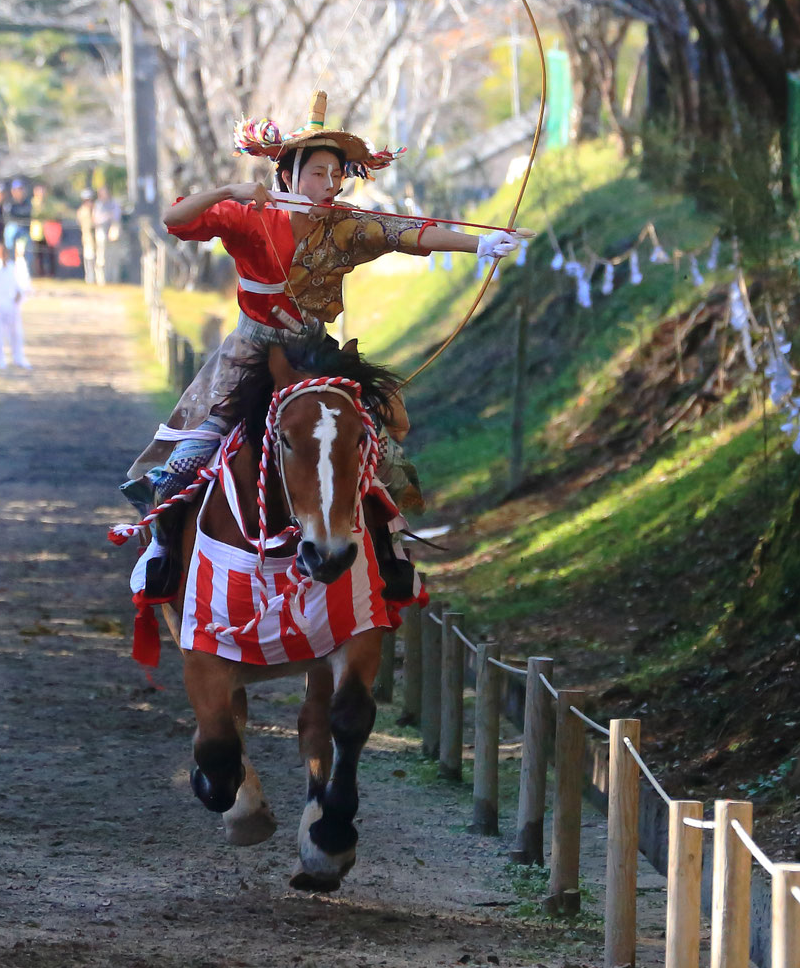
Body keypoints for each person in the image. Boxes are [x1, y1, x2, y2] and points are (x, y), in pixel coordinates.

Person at [123, 89, 517, 594]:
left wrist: (480, 244)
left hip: (316, 352)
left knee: (375, 442)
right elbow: (174, 220)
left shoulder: (347, 224)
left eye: (336, 175)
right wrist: (230, 191)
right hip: (250, 353)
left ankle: (392, 551)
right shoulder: (250, 216)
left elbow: (410, 233)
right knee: (191, 456)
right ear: (286, 173)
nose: (329, 185)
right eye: (317, 173)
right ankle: (162, 550)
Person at [0, 241, 32, 370]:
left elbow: (18, 284)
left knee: (16, 333)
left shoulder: (12, 267)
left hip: (11, 304)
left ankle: (18, 357)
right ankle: (0, 359)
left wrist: (19, 294)